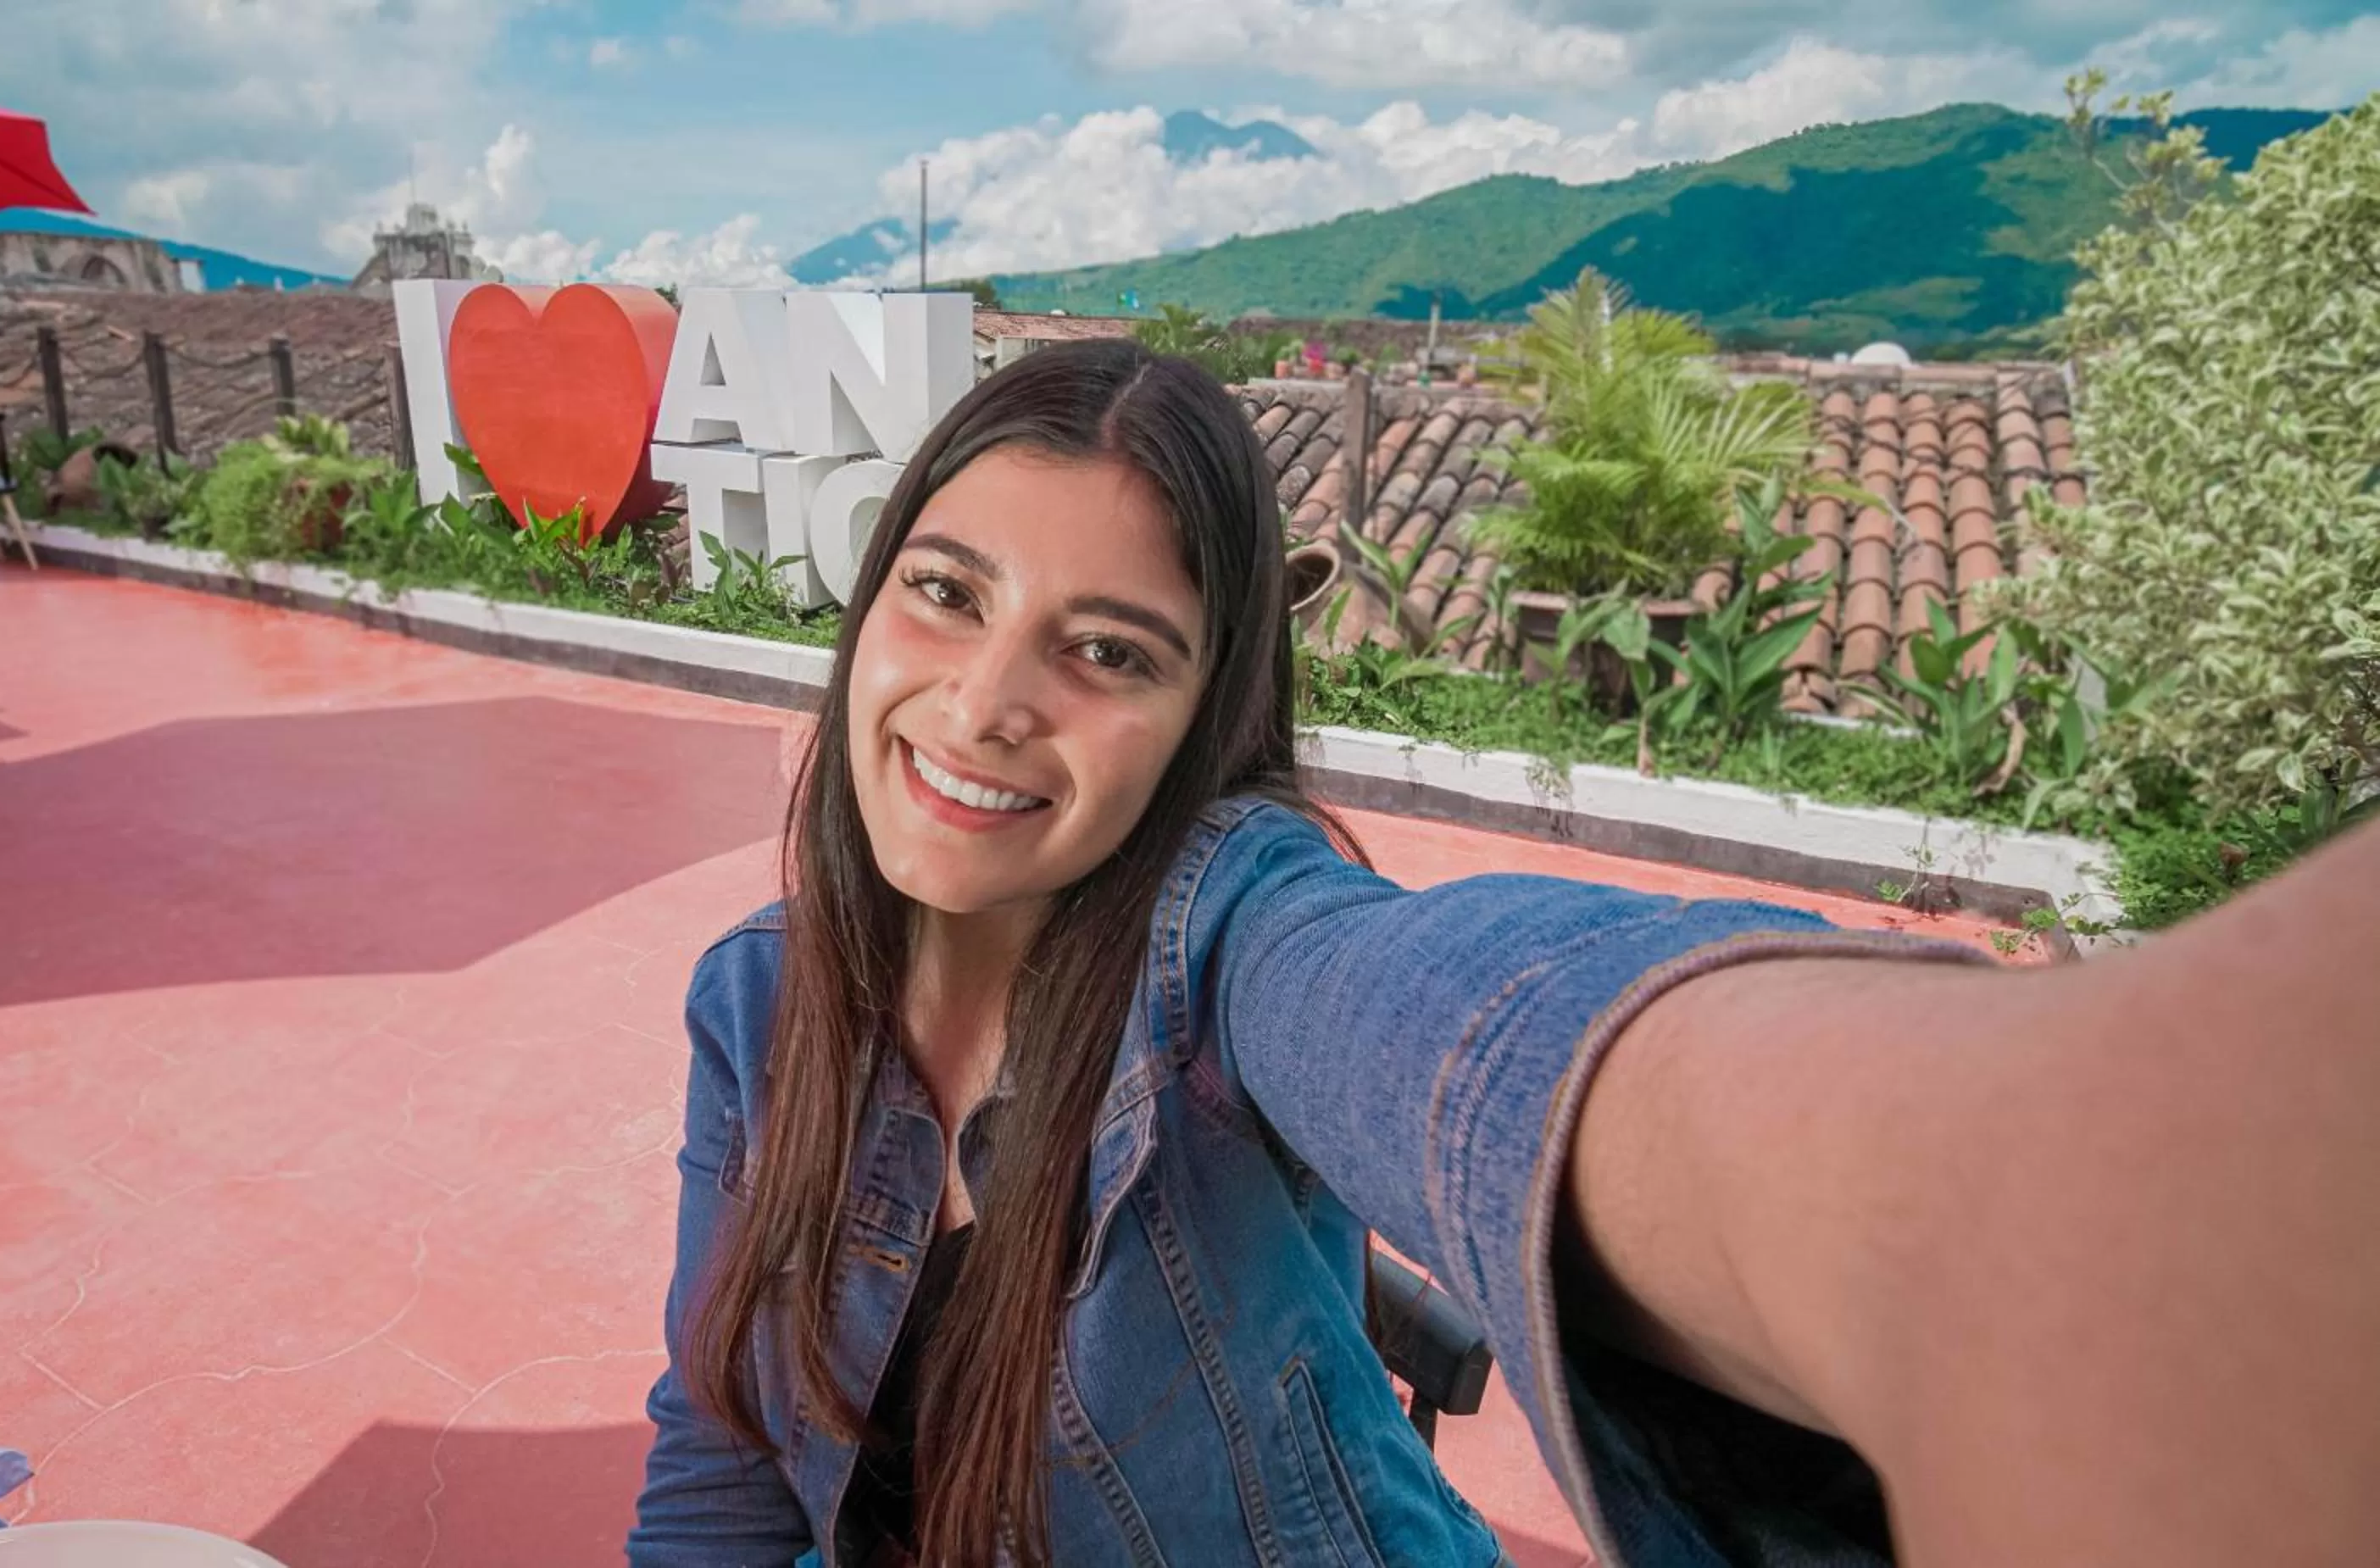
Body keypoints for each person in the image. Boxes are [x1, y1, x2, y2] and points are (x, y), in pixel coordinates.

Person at [627, 340, 2380, 1568]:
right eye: (946, 593)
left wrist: (2007, 1192)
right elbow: (720, 1457)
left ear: (1198, 718)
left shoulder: (1234, 932)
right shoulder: (757, 1000)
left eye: (1109, 649)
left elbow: (1464, 1025)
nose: (989, 702)